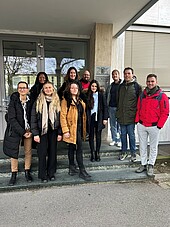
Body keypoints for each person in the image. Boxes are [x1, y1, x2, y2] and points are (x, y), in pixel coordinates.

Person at [135, 74, 169, 176]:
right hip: (142, 125)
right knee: (142, 146)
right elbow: (138, 108)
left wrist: (159, 125)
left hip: (154, 126)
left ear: (156, 82)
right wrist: (137, 121)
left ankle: (151, 165)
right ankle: (143, 164)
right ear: (146, 82)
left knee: (153, 147)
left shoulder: (162, 96)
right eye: (148, 81)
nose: (150, 83)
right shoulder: (142, 95)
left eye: (152, 81)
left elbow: (165, 112)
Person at [3, 81, 33, 186]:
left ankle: (27, 171)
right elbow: (12, 118)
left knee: (28, 151)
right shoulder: (14, 101)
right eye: (20, 88)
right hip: (16, 130)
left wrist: (30, 131)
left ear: (27, 89)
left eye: (24, 87)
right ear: (18, 89)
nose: (22, 89)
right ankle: (14, 173)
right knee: (14, 151)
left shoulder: (31, 101)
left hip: (28, 131)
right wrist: (22, 132)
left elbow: (33, 117)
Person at [31, 81, 62, 182]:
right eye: (46, 88)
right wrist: (35, 133)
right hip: (41, 132)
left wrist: (60, 132)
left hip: (53, 131)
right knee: (42, 153)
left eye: (50, 87)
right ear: (43, 90)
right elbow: (33, 119)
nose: (48, 89)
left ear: (53, 89)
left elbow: (61, 119)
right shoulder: (38, 101)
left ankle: (51, 173)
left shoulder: (57, 101)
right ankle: (43, 175)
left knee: (53, 153)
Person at [60, 81, 91, 181]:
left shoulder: (80, 101)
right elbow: (62, 116)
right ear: (69, 89)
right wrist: (65, 130)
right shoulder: (65, 100)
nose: (74, 89)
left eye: (76, 88)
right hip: (71, 128)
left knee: (72, 147)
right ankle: (82, 170)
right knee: (79, 148)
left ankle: (72, 167)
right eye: (72, 88)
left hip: (79, 128)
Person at [116, 67, 142, 161]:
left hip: (131, 116)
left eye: (129, 73)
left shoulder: (137, 87)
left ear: (132, 74)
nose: (127, 75)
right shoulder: (121, 86)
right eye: (125, 73)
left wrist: (138, 115)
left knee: (131, 135)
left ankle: (133, 153)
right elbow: (117, 100)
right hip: (121, 116)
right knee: (123, 135)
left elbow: (140, 102)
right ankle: (124, 152)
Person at [87, 80, 109, 162]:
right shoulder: (88, 95)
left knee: (98, 135)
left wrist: (105, 118)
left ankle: (97, 152)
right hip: (91, 117)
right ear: (90, 87)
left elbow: (105, 107)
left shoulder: (101, 95)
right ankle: (92, 152)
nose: (94, 88)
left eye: (95, 86)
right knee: (91, 136)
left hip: (99, 117)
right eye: (92, 86)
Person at [105, 69, 121, 147]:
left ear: (119, 75)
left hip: (119, 108)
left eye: (116, 74)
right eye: (113, 74)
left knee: (119, 125)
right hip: (111, 107)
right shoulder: (110, 86)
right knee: (112, 125)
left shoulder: (122, 85)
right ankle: (114, 139)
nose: (115, 76)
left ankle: (119, 140)